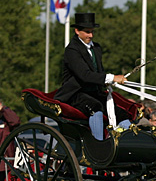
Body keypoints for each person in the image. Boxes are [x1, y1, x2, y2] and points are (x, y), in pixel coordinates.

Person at [54, 12, 128, 140]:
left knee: (120, 112)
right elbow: (84, 75)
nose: (91, 35)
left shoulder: (96, 48)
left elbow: (98, 72)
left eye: (92, 32)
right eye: (87, 32)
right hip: (75, 93)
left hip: (93, 91)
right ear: (77, 31)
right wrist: (112, 77)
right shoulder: (72, 50)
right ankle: (97, 145)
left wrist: (107, 82)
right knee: (96, 107)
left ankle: (127, 143)